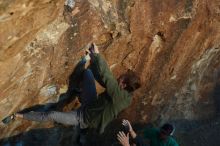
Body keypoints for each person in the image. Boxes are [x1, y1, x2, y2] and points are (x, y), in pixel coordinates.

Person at [10, 43, 141, 135]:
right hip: (90, 103)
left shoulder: (119, 96)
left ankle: (19, 115)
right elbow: (103, 79)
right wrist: (93, 59)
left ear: (123, 84)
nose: (118, 77)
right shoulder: (123, 94)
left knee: (51, 115)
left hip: (82, 118)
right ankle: (79, 90)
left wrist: (97, 55)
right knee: (88, 73)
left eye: (120, 78)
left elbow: (107, 76)